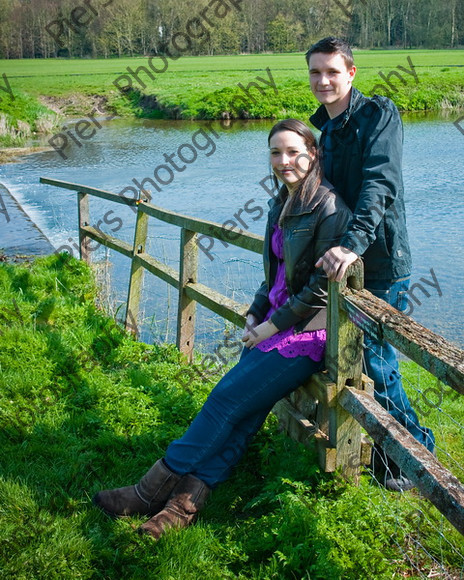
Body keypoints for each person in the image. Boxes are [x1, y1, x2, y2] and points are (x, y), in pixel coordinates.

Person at [92, 119, 352, 539]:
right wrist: (255, 312)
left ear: (313, 152)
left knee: (224, 399)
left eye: (293, 152)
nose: (284, 161)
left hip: (306, 332)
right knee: (243, 416)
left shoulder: (330, 208)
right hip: (273, 322)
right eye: (275, 152)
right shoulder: (280, 203)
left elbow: (320, 292)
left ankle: (146, 491)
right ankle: (182, 508)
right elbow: (276, 274)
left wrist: (270, 326)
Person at [306, 37, 435, 491]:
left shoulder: (377, 115)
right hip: (344, 261)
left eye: (332, 72)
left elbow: (380, 184)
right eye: (316, 73)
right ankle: (383, 453)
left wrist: (353, 244)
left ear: (351, 73)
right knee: (353, 359)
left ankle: (415, 455)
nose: (323, 81)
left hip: (377, 259)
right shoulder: (325, 129)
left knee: (377, 362)